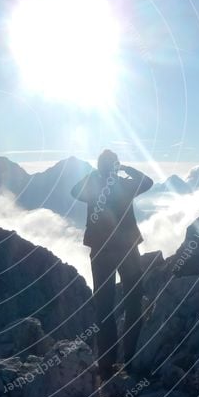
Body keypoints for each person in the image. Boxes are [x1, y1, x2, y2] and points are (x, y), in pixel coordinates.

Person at [71, 150, 153, 379]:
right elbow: (147, 182)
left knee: (104, 306)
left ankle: (107, 364)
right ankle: (131, 358)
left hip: (101, 252)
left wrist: (93, 175)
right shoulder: (124, 185)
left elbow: (73, 191)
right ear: (115, 166)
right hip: (128, 250)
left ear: (99, 167)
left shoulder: (93, 188)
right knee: (133, 303)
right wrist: (126, 169)